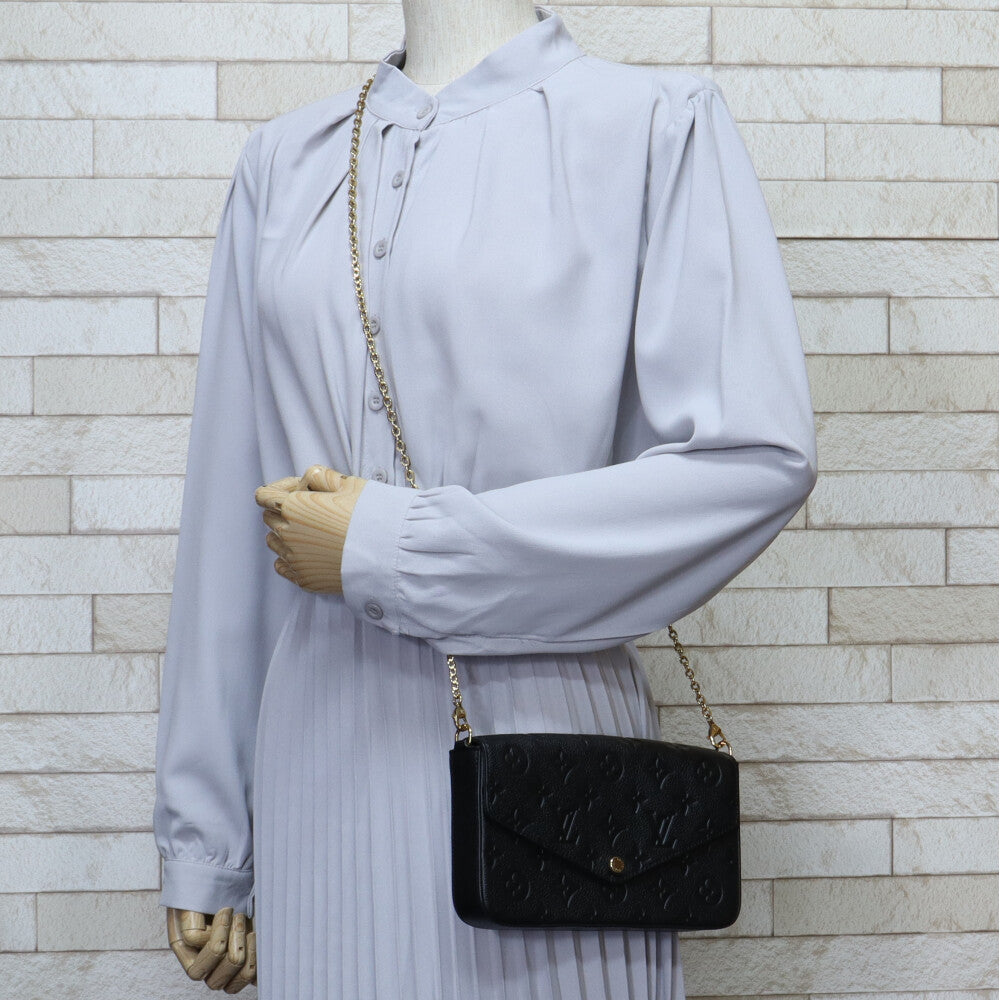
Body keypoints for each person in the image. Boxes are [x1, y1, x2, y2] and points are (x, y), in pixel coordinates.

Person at [152, 2, 818, 996]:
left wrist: (398, 547)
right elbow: (234, 513)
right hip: (320, 757)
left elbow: (754, 457)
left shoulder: (652, 125)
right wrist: (208, 836)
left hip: (548, 749)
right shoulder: (285, 164)